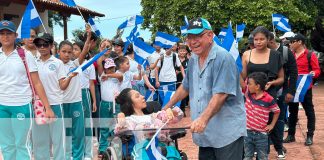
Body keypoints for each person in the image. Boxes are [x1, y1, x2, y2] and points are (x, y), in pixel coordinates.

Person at [164, 17, 246, 160]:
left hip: (226, 132)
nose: (193, 41)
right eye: (189, 37)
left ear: (210, 35)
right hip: (206, 133)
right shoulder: (194, 59)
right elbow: (185, 86)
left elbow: (221, 94)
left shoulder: (223, 58)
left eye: (198, 36)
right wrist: (166, 107)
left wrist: (203, 119)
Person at [0, 20, 54, 160]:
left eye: (8, 33)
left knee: (22, 144)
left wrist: (47, 107)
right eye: (2, 33)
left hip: (21, 105)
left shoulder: (25, 55)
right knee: (6, 145)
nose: (5, 36)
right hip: (2, 106)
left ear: (15, 35)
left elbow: (37, 83)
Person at [32, 33, 77, 160]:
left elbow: (62, 86)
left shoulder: (58, 63)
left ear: (51, 46)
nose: (42, 47)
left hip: (55, 105)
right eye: (39, 44)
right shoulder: (34, 63)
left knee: (58, 140)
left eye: (45, 44)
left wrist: (69, 77)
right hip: (39, 106)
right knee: (41, 140)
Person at [114, 88, 184, 159]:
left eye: (141, 95)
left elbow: (179, 114)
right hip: (143, 151)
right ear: (129, 103)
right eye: (137, 96)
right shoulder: (130, 120)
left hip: (162, 149)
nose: (143, 96)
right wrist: (121, 119)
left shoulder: (154, 116)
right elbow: (119, 130)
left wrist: (172, 112)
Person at [284, 33, 321, 146]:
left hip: (305, 88)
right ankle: (291, 135)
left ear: (299, 42)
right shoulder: (290, 55)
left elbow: (317, 70)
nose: (290, 44)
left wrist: (313, 74)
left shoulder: (310, 55)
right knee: (292, 111)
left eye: (292, 42)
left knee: (309, 111)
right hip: (292, 87)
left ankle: (310, 135)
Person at [267, 32, 298, 158]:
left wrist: (290, 91)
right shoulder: (262, 52)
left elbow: (294, 72)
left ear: (270, 40)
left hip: (281, 92)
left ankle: (278, 145)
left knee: (279, 120)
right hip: (265, 92)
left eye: (263, 40)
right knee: (264, 119)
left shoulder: (285, 52)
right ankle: (266, 145)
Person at [59, 38, 88, 159]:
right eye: (64, 51)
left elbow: (84, 51)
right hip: (61, 103)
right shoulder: (55, 65)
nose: (66, 54)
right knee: (65, 133)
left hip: (76, 102)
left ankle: (78, 157)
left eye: (69, 52)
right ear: (58, 51)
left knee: (78, 133)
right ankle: (66, 156)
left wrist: (88, 36)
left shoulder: (75, 64)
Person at [244, 72, 280, 160]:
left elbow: (277, 111)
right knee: (247, 156)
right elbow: (242, 81)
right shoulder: (248, 94)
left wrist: (271, 125)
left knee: (263, 157)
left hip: (261, 134)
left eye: (250, 83)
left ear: (257, 86)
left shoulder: (269, 99)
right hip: (247, 132)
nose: (247, 85)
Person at [72, 40, 97, 159]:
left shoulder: (89, 64)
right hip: (72, 95)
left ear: (83, 50)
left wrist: (94, 100)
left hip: (84, 94)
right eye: (73, 49)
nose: (73, 51)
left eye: (76, 49)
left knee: (86, 124)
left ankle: (88, 154)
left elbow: (92, 84)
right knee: (75, 125)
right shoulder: (70, 64)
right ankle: (75, 152)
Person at [97, 58, 121, 158]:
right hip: (105, 105)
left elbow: (120, 76)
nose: (110, 69)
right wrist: (102, 52)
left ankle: (116, 148)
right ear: (104, 69)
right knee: (104, 126)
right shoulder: (101, 76)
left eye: (112, 67)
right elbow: (99, 64)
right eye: (108, 68)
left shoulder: (117, 76)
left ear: (115, 67)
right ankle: (103, 149)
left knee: (116, 127)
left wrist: (108, 75)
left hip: (116, 104)